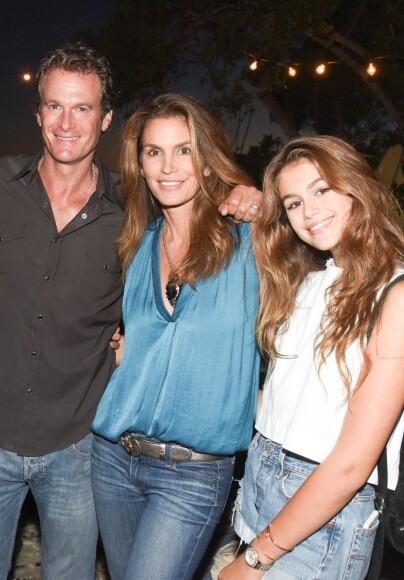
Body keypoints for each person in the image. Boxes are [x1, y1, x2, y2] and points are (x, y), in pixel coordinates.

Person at [0, 41, 262, 580]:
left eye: (84, 108)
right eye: (55, 106)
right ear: (38, 112)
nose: (67, 122)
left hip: (79, 448)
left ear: (106, 118)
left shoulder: (131, 217)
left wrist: (251, 195)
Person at [90, 92, 261, 579]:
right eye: (153, 152)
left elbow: (318, 233)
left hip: (194, 472)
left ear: (207, 160)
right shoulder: (137, 247)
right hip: (114, 458)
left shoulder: (250, 242)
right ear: (139, 166)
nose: (168, 166)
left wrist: (264, 200)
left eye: (184, 150)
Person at [220, 136, 404, 579]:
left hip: (324, 514)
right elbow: (285, 406)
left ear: (356, 187)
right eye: (293, 202)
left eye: (322, 190)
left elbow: (352, 463)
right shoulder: (310, 282)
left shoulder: (395, 294)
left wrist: (255, 558)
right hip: (262, 481)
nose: (309, 212)